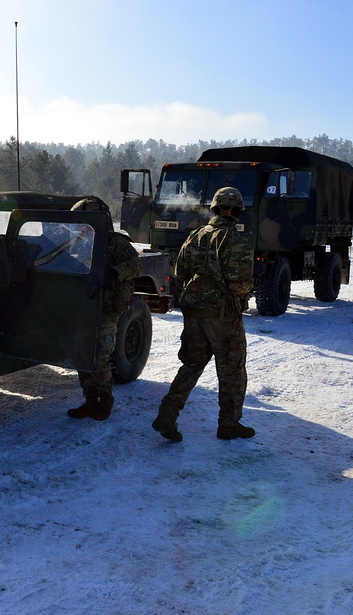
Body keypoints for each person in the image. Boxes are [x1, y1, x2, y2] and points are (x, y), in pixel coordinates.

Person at [152, 187, 255, 442]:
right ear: (238, 211)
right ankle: (229, 425)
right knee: (232, 370)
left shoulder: (195, 236)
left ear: (214, 208)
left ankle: (167, 414)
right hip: (222, 315)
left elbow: (179, 272)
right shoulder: (236, 241)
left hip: (194, 310)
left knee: (192, 364)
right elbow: (240, 284)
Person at [67, 196, 142, 421]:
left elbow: (135, 265)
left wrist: (114, 273)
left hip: (107, 307)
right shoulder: (80, 243)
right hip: (84, 304)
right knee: (81, 353)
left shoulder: (115, 242)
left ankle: (105, 398)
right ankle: (90, 400)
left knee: (99, 353)